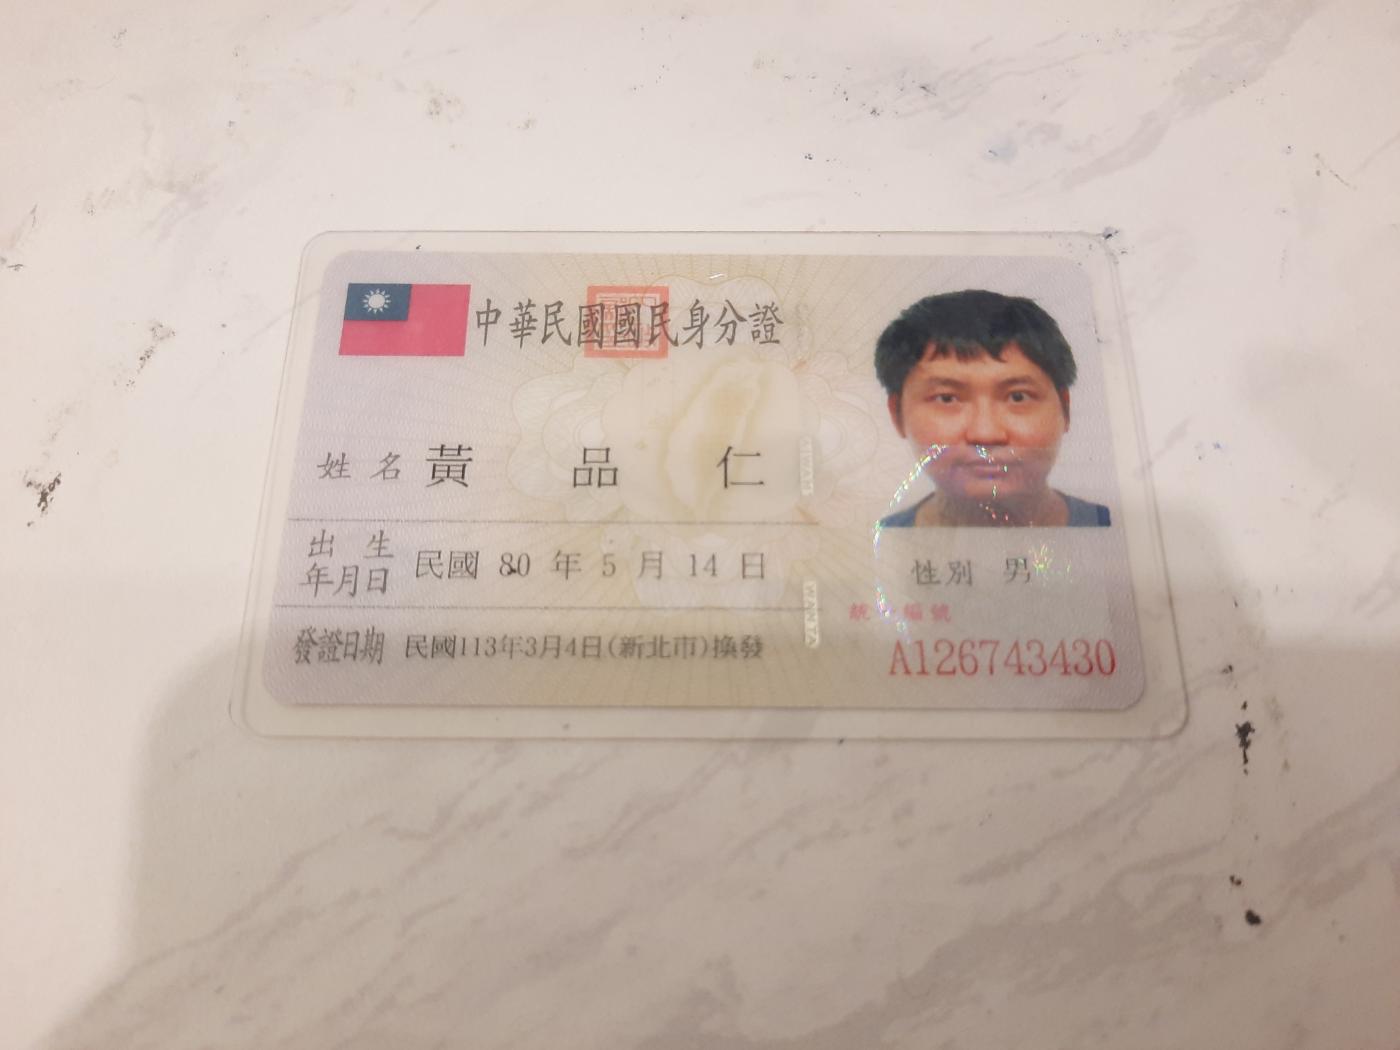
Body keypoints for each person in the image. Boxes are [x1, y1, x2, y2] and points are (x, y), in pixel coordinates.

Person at [875, 289, 1110, 528]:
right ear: (897, 414)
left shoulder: (1118, 528)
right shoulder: (879, 541)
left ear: (1065, 409)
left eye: (1018, 397)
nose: (986, 434)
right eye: (946, 399)